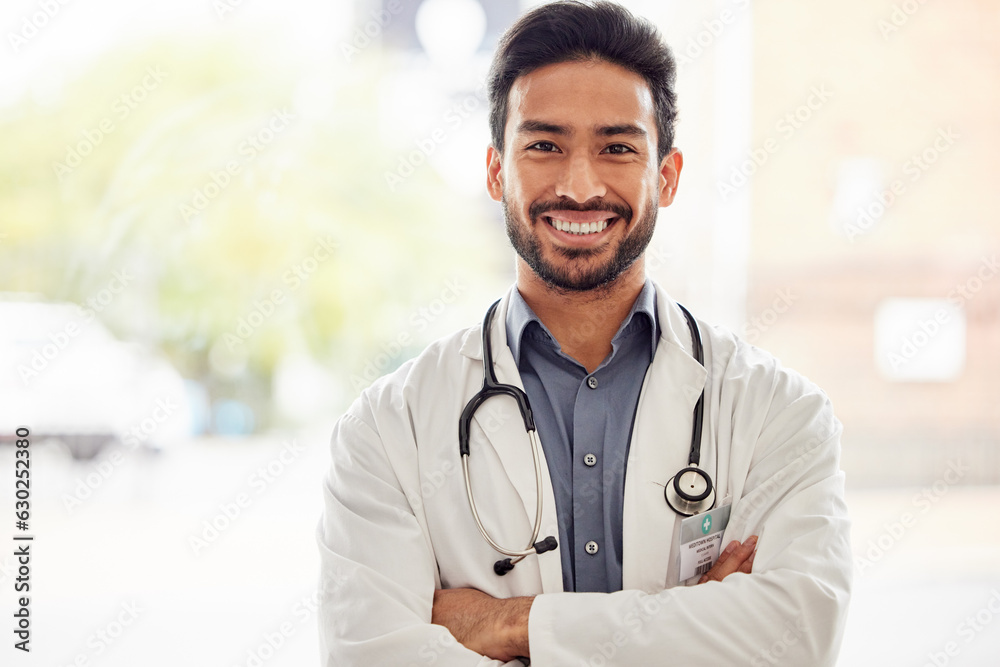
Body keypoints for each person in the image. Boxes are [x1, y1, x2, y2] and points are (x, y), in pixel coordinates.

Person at [317, 1, 852, 665]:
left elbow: (794, 636)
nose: (579, 184)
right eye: (544, 145)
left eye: (617, 148)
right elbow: (373, 655)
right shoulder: (388, 430)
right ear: (494, 171)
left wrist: (511, 626)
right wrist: (692, 625)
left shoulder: (780, 415)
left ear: (666, 175)